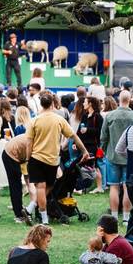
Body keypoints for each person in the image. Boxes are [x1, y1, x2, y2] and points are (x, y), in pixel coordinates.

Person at [23, 94, 89, 226]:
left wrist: (27, 158)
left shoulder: (34, 121)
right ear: (52, 104)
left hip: (36, 158)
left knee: (41, 188)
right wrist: (84, 151)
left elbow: (29, 143)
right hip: (52, 160)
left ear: (41, 104)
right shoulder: (59, 120)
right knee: (50, 186)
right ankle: (42, 218)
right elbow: (73, 136)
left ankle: (34, 211)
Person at [100, 91, 133, 220]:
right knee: (127, 187)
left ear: (118, 99)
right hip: (130, 157)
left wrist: (106, 151)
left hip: (112, 156)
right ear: (130, 99)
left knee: (113, 187)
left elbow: (103, 137)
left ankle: (114, 217)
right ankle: (126, 217)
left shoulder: (110, 116)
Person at [80, 97, 104, 193]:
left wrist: (87, 130)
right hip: (84, 145)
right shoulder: (85, 116)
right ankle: (96, 187)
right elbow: (79, 130)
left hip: (93, 145)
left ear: (90, 104)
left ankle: (98, 187)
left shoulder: (97, 117)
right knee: (87, 166)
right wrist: (75, 143)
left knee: (93, 166)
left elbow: (100, 132)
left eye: (85, 102)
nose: (83, 104)